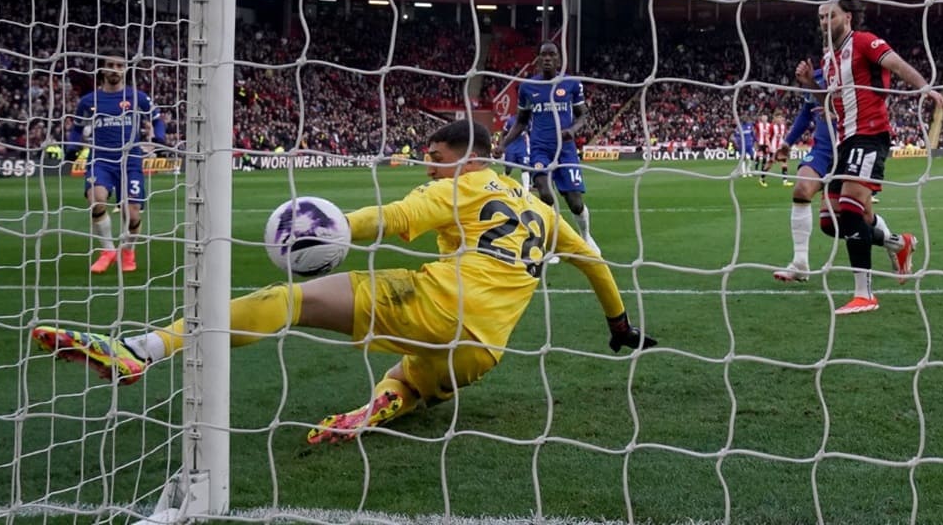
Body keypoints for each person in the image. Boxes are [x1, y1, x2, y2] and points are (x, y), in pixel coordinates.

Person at [32, 121, 656, 445]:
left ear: (464, 155)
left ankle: (140, 351)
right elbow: (594, 263)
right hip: (485, 348)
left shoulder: (458, 184)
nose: (427, 164)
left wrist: (325, 228)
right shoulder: (542, 212)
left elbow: (397, 218)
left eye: (433, 156)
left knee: (289, 300)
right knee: (417, 375)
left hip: (435, 303)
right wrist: (619, 326)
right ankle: (385, 405)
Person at [793, 0, 943, 314]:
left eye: (830, 16)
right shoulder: (828, 58)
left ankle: (864, 294)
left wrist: (925, 87)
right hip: (843, 141)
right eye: (820, 17)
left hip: (870, 135)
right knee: (829, 222)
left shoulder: (864, 41)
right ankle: (898, 243)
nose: (824, 22)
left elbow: (897, 63)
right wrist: (809, 83)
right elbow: (828, 106)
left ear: (847, 17)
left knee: (849, 209)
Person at [774, 68, 914, 285]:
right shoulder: (818, 76)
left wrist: (837, 112)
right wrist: (787, 142)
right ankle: (800, 263)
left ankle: (895, 243)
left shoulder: (854, 71)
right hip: (822, 150)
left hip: (851, 149)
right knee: (801, 190)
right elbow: (806, 112)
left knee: (861, 217)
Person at [65, 49, 165, 274]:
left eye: (120, 66)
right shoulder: (88, 101)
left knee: (132, 214)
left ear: (126, 69)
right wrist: (72, 148)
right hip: (100, 159)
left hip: (130, 161)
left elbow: (158, 120)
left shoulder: (137, 97)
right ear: (102, 68)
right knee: (97, 200)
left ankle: (127, 250)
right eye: (111, 65)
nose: (115, 69)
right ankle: (108, 251)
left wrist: (159, 138)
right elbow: (77, 129)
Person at [498, 42, 598, 254]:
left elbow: (583, 115)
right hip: (539, 149)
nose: (547, 59)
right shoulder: (527, 87)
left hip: (566, 149)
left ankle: (585, 236)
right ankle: (553, 243)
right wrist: (503, 144)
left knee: (575, 203)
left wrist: (573, 130)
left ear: (559, 59)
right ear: (537, 60)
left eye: (552, 55)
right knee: (544, 192)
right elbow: (521, 121)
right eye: (543, 55)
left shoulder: (571, 84)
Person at [759, 113, 791, 187]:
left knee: (784, 163)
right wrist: (769, 146)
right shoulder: (772, 126)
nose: (780, 119)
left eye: (781, 117)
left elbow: (784, 136)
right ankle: (761, 178)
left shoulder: (783, 126)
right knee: (769, 165)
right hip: (773, 148)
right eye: (778, 117)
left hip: (781, 148)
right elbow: (767, 137)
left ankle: (785, 181)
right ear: (775, 118)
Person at [500, 114, 531, 189]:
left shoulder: (528, 121)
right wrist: (502, 146)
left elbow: (530, 133)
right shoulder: (510, 120)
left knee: (525, 167)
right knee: (508, 168)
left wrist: (532, 145)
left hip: (522, 147)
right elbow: (503, 134)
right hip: (511, 147)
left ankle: (526, 190)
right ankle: (504, 181)